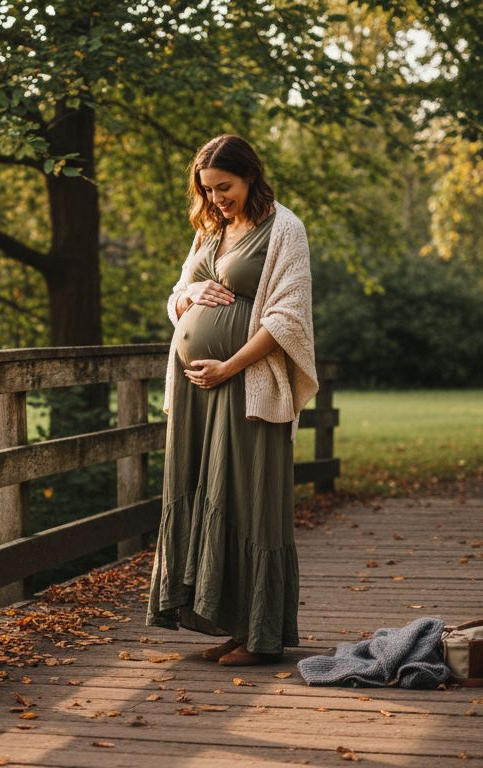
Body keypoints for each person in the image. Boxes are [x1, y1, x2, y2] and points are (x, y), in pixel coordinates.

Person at [145, 134, 320, 666]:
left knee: (248, 497)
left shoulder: (285, 229)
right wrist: (189, 297)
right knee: (206, 489)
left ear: (250, 175)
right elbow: (178, 294)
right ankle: (227, 621)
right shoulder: (212, 229)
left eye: (225, 187)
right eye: (209, 190)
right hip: (199, 390)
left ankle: (258, 633)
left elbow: (288, 318)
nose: (217, 198)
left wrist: (230, 365)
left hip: (246, 385)